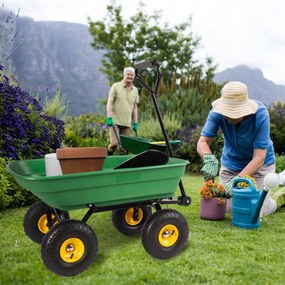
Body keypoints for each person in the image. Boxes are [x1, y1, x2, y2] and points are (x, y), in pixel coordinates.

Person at [196, 81, 285, 216]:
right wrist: (208, 158)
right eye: (228, 112)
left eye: (234, 113)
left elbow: (259, 157)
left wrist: (239, 179)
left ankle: (279, 197)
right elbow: (202, 142)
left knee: (256, 210)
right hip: (232, 164)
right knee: (226, 207)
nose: (230, 117)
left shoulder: (260, 114)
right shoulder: (216, 113)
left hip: (260, 166)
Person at [106, 67, 139, 155]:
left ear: (134, 76)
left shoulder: (135, 90)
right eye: (128, 74)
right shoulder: (116, 86)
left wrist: (135, 122)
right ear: (124, 75)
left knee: (124, 148)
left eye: (132, 75)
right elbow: (110, 103)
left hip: (127, 123)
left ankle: (120, 166)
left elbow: (135, 107)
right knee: (114, 144)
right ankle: (107, 157)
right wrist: (109, 117)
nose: (130, 76)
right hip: (115, 121)